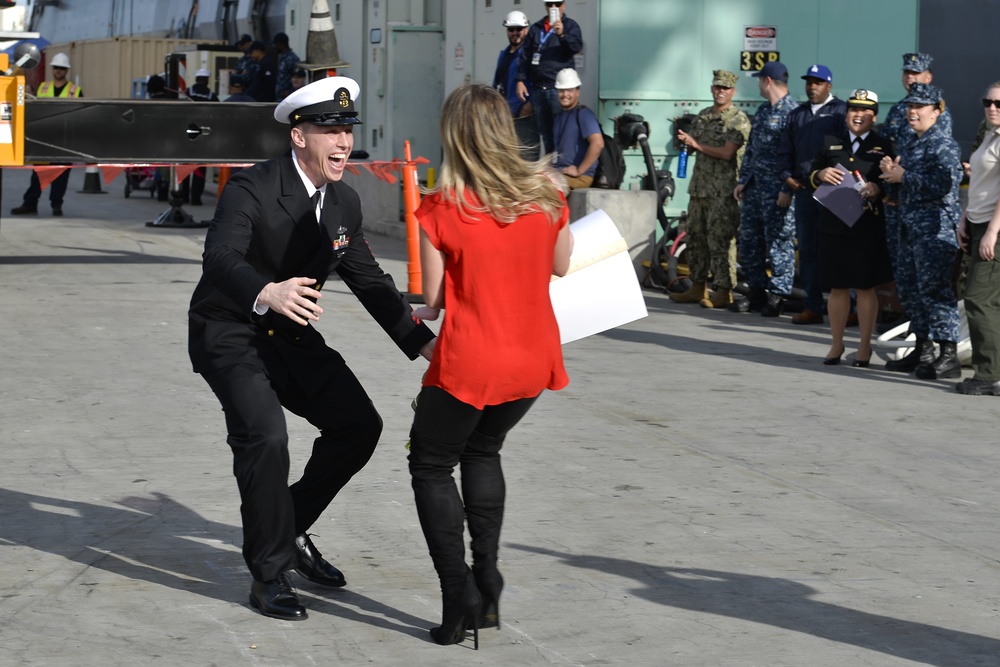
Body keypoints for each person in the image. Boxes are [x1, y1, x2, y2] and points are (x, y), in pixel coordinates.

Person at [188, 75, 436, 621]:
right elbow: (220, 258)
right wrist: (266, 290)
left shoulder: (344, 202)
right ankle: (269, 573)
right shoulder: (251, 187)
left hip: (289, 335)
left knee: (359, 426)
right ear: (299, 135)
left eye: (347, 128)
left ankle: (288, 525)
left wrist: (429, 348)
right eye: (330, 129)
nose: (343, 141)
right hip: (231, 329)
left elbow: (371, 282)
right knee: (265, 436)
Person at [408, 83, 572, 648]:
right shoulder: (550, 194)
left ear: (454, 137)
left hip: (473, 358)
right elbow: (562, 265)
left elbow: (433, 296)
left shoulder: (441, 207)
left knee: (430, 464)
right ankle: (489, 575)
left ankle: (459, 596)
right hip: (532, 359)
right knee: (483, 449)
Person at [879, 82, 963, 380]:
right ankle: (923, 349)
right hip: (910, 227)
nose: (912, 112)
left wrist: (906, 176)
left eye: (920, 107)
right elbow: (905, 184)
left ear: (936, 112)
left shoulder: (942, 144)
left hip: (934, 229)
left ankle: (948, 354)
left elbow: (943, 185)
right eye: (911, 106)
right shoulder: (913, 143)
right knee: (911, 291)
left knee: (935, 291)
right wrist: (892, 173)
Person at [808, 89, 894, 367]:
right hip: (833, 224)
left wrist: (878, 187)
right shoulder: (831, 142)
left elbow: (892, 182)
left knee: (865, 286)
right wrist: (819, 174)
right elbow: (810, 172)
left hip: (866, 226)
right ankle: (835, 345)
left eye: (864, 110)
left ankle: (864, 347)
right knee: (837, 286)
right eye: (853, 109)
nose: (858, 115)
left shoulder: (885, 145)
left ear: (874, 116)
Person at [880, 52, 954, 332]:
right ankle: (917, 335)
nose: (910, 77)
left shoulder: (939, 122)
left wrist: (904, 175)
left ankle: (941, 346)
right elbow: (889, 144)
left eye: (916, 72)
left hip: (929, 218)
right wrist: (890, 168)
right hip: (901, 208)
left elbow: (939, 176)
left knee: (931, 285)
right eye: (906, 72)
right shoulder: (900, 110)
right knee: (907, 278)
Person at [670, 69, 751, 308]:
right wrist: (688, 143)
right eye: (717, 87)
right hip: (699, 189)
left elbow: (727, 153)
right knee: (696, 238)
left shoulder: (738, 119)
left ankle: (723, 291)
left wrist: (697, 144)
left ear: (733, 92)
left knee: (721, 241)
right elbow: (696, 145)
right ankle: (697, 288)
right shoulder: (704, 116)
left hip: (723, 191)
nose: (720, 92)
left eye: (724, 88)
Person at [777, 64, 847, 324]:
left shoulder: (840, 112)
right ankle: (813, 306)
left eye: (818, 83)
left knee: (837, 249)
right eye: (809, 82)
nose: (812, 87)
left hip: (835, 191)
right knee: (807, 250)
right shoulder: (797, 115)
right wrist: (787, 178)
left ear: (829, 86)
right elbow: (785, 150)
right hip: (805, 192)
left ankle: (847, 308)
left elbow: (849, 151)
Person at [730, 61, 798, 316]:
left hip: (777, 191)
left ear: (767, 81)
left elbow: (794, 155)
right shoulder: (762, 111)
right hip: (756, 188)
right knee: (749, 241)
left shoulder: (793, 112)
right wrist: (743, 180)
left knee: (779, 241)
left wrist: (787, 188)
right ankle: (757, 291)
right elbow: (752, 150)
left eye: (760, 80)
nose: (758, 84)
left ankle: (778, 295)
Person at [955, 82, 1000, 395]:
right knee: (990, 301)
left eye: (999, 103)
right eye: (988, 101)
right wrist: (965, 218)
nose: (993, 107)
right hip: (977, 222)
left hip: (993, 229)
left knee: (978, 299)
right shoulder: (989, 134)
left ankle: (989, 374)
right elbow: (983, 181)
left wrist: (993, 233)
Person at [10, 53, 82, 217]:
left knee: (61, 175)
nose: (58, 70)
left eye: (62, 68)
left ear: (67, 70)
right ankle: (30, 204)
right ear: (52, 69)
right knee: (38, 174)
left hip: (64, 141)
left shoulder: (75, 91)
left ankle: (56, 205)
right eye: (56, 67)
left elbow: (80, 117)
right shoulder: (42, 88)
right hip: (43, 139)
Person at [515, 0, 584, 154]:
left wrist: (562, 34)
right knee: (545, 134)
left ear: (564, 5)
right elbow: (525, 56)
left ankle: (564, 166)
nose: (554, 7)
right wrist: (520, 80)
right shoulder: (536, 28)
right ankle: (551, 169)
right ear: (545, 6)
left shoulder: (570, 25)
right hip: (539, 88)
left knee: (562, 131)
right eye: (550, 4)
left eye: (557, 4)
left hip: (559, 89)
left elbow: (576, 47)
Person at [551, 68, 603, 190]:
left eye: (569, 90)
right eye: (561, 90)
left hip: (579, 178)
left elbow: (598, 143)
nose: (565, 95)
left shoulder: (584, 114)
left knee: (542, 190)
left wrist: (579, 171)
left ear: (577, 92)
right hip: (560, 174)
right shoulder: (559, 117)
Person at [183, 68, 219, 205]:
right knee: (199, 166)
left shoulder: (188, 92)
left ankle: (183, 195)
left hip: (187, 134)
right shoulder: (211, 95)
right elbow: (216, 114)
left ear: (197, 79)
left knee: (185, 166)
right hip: (203, 134)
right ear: (207, 80)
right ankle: (195, 198)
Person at [493, 10, 532, 118]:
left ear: (526, 30)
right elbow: (496, 83)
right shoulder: (503, 55)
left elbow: (538, 81)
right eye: (511, 29)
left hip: (523, 115)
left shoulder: (530, 55)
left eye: (518, 29)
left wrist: (530, 104)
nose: (514, 33)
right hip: (504, 113)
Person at [273, 32, 300, 102]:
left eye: (276, 44)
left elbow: (298, 78)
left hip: (288, 99)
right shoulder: (283, 58)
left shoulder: (292, 58)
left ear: (280, 44)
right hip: (280, 99)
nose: (275, 47)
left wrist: (289, 92)